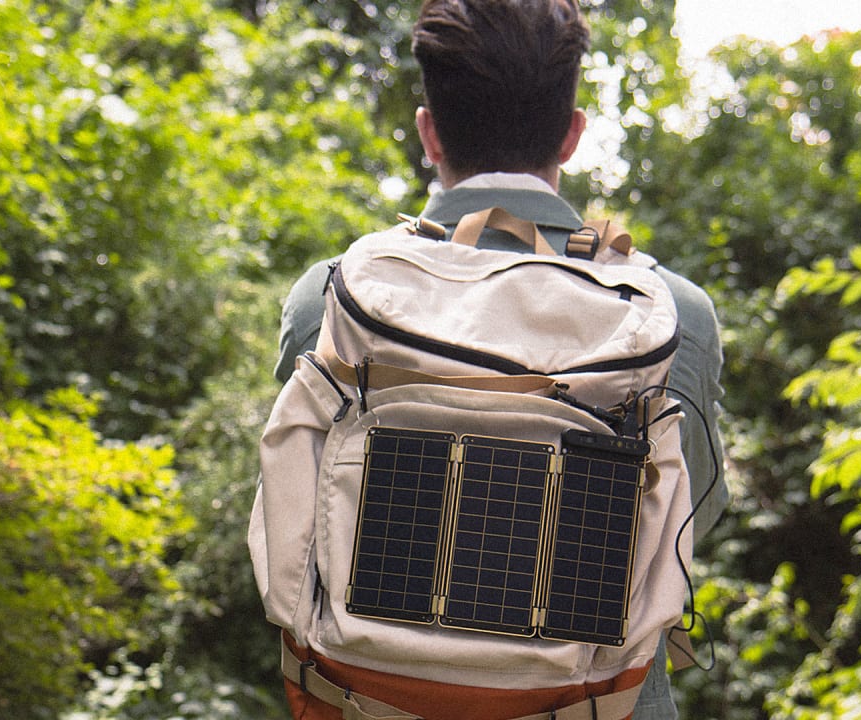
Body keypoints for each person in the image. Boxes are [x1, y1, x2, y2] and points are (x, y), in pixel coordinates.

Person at [264, 0, 728, 717]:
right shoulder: (675, 316)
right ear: (572, 136)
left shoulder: (331, 298)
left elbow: (292, 515)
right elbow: (694, 514)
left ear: (429, 133)